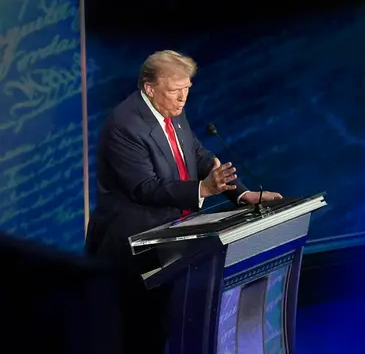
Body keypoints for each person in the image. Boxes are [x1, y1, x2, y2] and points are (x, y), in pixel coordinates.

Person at [84, 50, 282, 354]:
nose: (182, 98)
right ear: (150, 88)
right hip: (135, 246)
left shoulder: (172, 110)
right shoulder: (124, 125)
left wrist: (241, 194)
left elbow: (198, 155)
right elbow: (146, 188)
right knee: (141, 334)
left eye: (187, 89)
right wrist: (202, 189)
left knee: (172, 326)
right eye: (176, 90)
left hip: (176, 237)